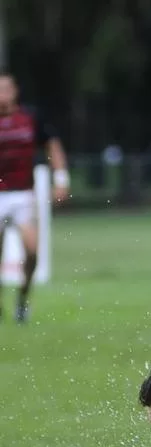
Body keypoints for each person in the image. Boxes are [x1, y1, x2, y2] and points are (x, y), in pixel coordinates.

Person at [0, 71, 69, 323]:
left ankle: (22, 297)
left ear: (15, 91)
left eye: (5, 89)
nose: (2, 95)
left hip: (22, 195)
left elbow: (52, 145)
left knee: (32, 252)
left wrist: (61, 179)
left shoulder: (29, 118)